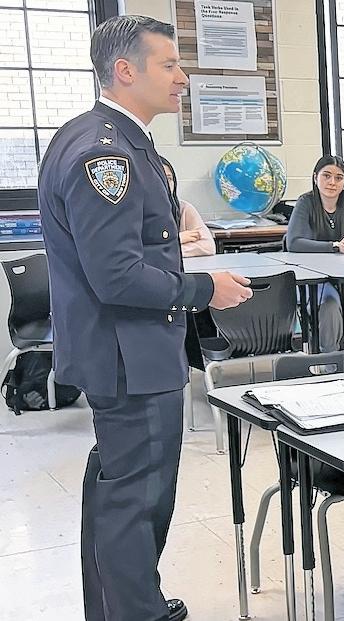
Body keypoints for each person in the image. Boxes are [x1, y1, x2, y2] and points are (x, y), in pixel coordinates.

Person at [37, 15, 252, 621]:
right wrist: (204, 289)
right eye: (170, 65)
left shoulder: (109, 138)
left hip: (125, 348)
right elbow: (116, 275)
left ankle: (120, 606)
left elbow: (128, 251)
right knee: (139, 496)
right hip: (128, 352)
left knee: (118, 488)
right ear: (125, 71)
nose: (182, 78)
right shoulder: (105, 154)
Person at [285, 155, 344, 351]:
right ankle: (330, 359)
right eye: (326, 176)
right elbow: (293, 243)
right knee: (329, 303)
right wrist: (336, 246)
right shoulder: (305, 202)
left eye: (339, 178)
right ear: (315, 177)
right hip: (314, 277)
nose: (332, 182)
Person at [160, 156, 215, 258]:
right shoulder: (137, 211)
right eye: (161, 178)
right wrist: (177, 239)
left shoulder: (184, 208)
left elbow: (208, 246)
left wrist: (173, 246)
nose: (166, 184)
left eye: (169, 178)